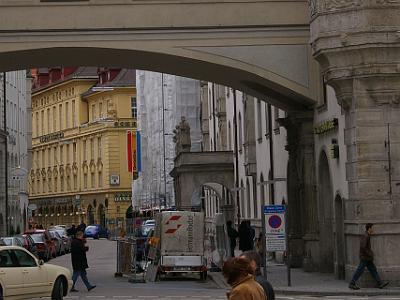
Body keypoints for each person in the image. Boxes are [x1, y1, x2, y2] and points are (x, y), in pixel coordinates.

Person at [348, 223, 389, 290]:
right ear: (369, 228)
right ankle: (352, 283)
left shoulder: (367, 235)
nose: (373, 230)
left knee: (373, 269)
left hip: (367, 258)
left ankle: (380, 283)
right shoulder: (365, 236)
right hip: (365, 257)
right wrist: (370, 254)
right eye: (372, 228)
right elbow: (363, 247)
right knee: (360, 270)